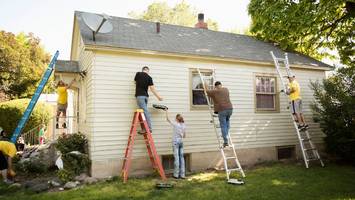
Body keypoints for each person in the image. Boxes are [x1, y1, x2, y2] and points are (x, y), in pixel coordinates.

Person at [204, 81, 233, 147]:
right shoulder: (226, 89)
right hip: (230, 109)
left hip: (222, 110)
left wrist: (205, 85)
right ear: (221, 85)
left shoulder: (215, 91)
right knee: (227, 122)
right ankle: (226, 134)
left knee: (223, 126)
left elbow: (207, 91)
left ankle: (225, 141)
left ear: (215, 86)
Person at [134, 66, 163, 132]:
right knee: (143, 112)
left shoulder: (138, 74)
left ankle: (149, 128)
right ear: (147, 70)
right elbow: (152, 89)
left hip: (139, 96)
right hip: (146, 97)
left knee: (145, 112)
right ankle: (144, 128)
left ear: (143, 70)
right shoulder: (149, 77)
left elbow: (135, 82)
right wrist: (158, 97)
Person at [165, 109, 186, 179]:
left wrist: (166, 111)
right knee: (182, 158)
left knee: (177, 158)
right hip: (181, 142)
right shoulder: (183, 125)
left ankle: (176, 175)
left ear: (177, 119)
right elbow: (184, 136)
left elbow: (168, 119)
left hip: (175, 143)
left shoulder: (176, 124)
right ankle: (182, 175)